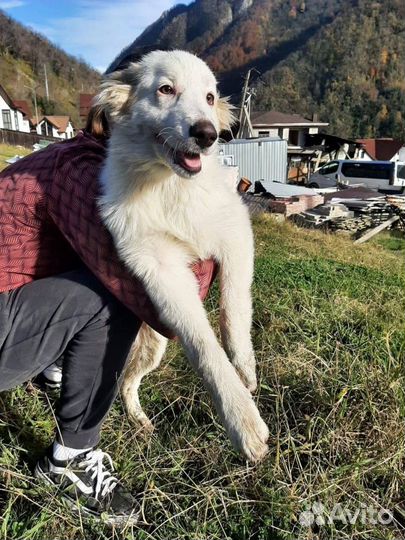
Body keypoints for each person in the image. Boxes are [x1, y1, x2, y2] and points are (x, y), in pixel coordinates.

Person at [0, 49, 216, 526]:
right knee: (113, 292)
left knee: (88, 274)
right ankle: (70, 461)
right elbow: (159, 304)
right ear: (121, 108)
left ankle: (54, 361)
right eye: (164, 94)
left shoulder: (74, 161)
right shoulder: (81, 172)